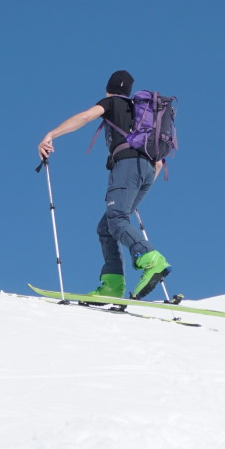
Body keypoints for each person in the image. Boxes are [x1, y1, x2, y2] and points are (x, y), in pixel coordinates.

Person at [36, 69, 172, 299]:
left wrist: (51, 134)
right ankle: (112, 285)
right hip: (148, 170)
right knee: (107, 226)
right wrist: (139, 187)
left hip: (127, 166)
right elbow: (158, 162)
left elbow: (86, 117)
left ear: (108, 88)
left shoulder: (112, 103)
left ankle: (151, 260)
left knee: (116, 218)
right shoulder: (142, 114)